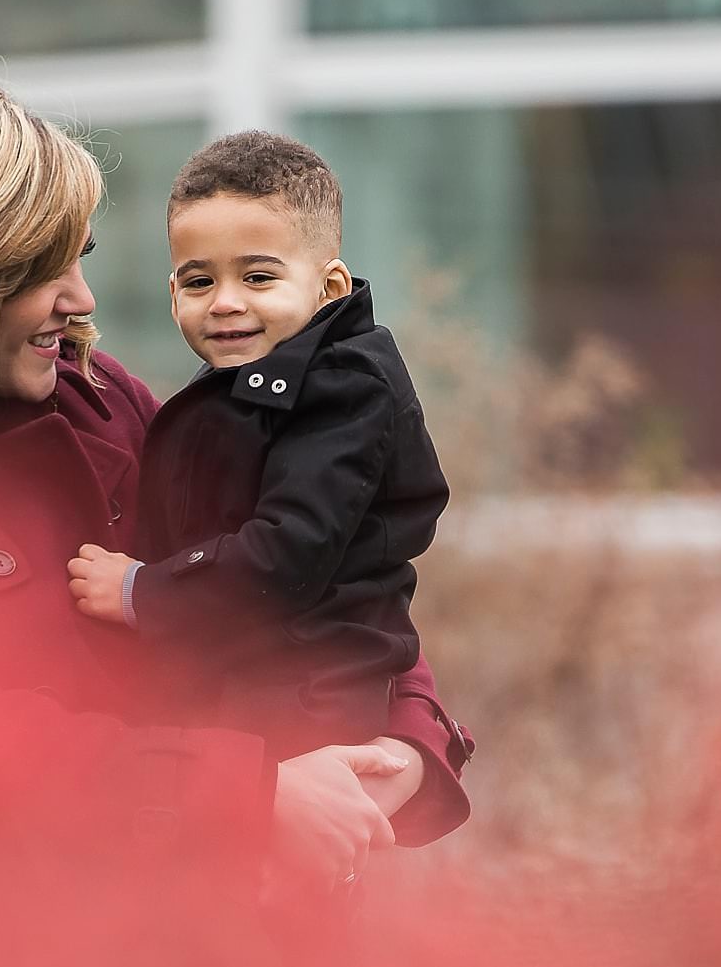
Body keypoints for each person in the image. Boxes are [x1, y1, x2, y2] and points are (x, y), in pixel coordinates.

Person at [0, 73, 472, 910]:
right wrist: (248, 793)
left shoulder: (107, 404)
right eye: (41, 269)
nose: (81, 299)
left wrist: (402, 748)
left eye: (80, 259)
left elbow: (304, 580)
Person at [66, 133, 447, 792]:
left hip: (301, 704)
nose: (225, 301)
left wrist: (141, 590)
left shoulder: (345, 390)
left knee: (277, 883)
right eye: (199, 280)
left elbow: (287, 554)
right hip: (262, 692)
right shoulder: (255, 381)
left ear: (329, 286)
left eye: (259, 276)